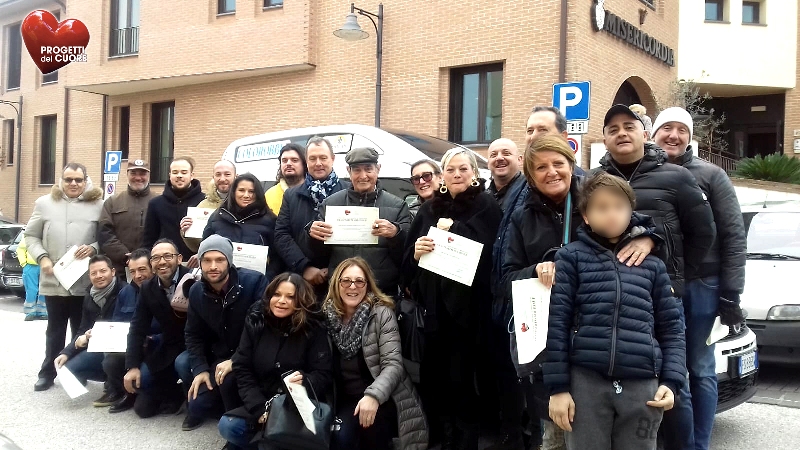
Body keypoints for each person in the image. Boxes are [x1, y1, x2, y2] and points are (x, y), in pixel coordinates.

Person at [503, 135, 657, 450]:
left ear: (571, 165)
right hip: (550, 337)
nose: (551, 172)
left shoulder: (596, 197)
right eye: (540, 167)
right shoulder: (522, 216)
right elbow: (504, 279)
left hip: (601, 337)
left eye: (558, 163)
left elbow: (640, 224)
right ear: (530, 176)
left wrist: (649, 239)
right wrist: (535, 271)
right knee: (556, 432)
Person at [545, 173, 686, 450]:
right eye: (601, 208)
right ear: (586, 216)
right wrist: (558, 388)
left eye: (620, 207)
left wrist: (672, 381)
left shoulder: (652, 265)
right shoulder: (571, 257)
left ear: (631, 212)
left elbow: (672, 328)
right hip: (586, 381)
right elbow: (557, 324)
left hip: (643, 383)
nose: (612, 214)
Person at [653, 107, 747, 450]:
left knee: (701, 367)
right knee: (667, 367)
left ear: (690, 137)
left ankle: (698, 445)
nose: (674, 135)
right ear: (654, 133)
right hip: (659, 283)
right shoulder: (645, 172)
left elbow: (733, 235)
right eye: (667, 128)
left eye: (682, 130)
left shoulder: (712, 175)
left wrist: (731, 291)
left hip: (702, 285)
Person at [403, 148, 502, 449]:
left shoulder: (486, 205)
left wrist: (453, 231)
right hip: (434, 311)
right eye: (450, 169)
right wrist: (417, 252)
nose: (457, 174)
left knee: (463, 380)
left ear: (474, 173)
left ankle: (466, 440)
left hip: (470, 313)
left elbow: (491, 255)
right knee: (434, 379)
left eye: (463, 169)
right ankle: (442, 437)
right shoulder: (429, 208)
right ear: (442, 175)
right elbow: (408, 261)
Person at [596, 104, 716, 301]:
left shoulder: (678, 177)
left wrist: (676, 277)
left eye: (629, 127)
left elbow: (703, 232)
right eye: (613, 130)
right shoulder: (593, 181)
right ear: (605, 142)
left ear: (645, 135)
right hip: (606, 293)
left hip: (661, 295)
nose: (622, 133)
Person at [217, 272, 333, 449]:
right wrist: (259, 409)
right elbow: (242, 366)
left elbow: (323, 374)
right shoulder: (256, 321)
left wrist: (305, 380)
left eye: (290, 297)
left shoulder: (313, 327)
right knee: (228, 426)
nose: (281, 301)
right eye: (277, 294)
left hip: (295, 405)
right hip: (262, 398)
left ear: (301, 300)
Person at [323, 257, 427, 450]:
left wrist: (373, 396)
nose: (352, 286)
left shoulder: (381, 314)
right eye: (346, 281)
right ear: (336, 283)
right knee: (339, 439)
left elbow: (393, 365)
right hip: (346, 400)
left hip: (384, 396)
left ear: (368, 285)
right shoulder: (326, 317)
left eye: (359, 281)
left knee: (373, 432)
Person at [25, 162, 104, 392]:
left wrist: (94, 248)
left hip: (84, 280)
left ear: (86, 181)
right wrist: (42, 258)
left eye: (78, 180)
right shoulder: (44, 204)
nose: (73, 184)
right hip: (55, 279)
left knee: (81, 329)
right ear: (61, 180)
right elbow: (31, 236)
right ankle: (47, 373)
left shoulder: (99, 205)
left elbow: (107, 237)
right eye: (69, 179)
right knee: (55, 330)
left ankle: (77, 372)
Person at [179, 235, 269, 431]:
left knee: (229, 379)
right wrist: (200, 369)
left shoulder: (254, 282)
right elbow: (193, 334)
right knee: (197, 404)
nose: (213, 266)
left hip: (251, 355)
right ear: (199, 262)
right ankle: (223, 401)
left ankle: (236, 421)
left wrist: (236, 359)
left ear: (229, 261)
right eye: (207, 260)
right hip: (219, 355)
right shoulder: (196, 291)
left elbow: (262, 329)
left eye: (219, 259)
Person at [309, 147, 411, 296]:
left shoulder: (397, 206)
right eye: (357, 170)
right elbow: (319, 255)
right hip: (341, 290)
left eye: (368, 169)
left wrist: (396, 234)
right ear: (348, 171)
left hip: (381, 291)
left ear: (378, 169)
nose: (363, 176)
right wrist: (313, 235)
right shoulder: (330, 204)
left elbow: (406, 254)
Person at [484, 137, 529, 448]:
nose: (500, 158)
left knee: (519, 369)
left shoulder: (527, 192)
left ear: (520, 160)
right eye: (493, 154)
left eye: (506, 153)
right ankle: (506, 428)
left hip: (519, 289)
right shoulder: (486, 195)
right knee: (500, 366)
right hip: (491, 294)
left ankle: (517, 432)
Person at [124, 239, 191, 418]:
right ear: (151, 263)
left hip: (195, 346)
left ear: (179, 258)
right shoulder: (148, 287)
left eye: (167, 256)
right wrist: (132, 366)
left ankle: (193, 397)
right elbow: (137, 327)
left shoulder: (194, 280)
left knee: (183, 364)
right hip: (169, 346)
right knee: (142, 405)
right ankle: (175, 394)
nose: (162, 262)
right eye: (156, 258)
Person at [274, 137, 349, 296]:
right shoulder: (291, 195)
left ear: (333, 159)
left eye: (323, 157)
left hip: (343, 280)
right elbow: (281, 235)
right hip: (302, 282)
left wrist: (334, 269)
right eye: (313, 158)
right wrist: (305, 267)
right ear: (306, 161)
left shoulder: (350, 192)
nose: (318, 163)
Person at [53, 255, 125, 402]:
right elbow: (82, 328)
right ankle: (110, 379)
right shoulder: (89, 296)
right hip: (100, 346)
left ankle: (116, 386)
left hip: (122, 347)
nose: (98, 276)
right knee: (69, 367)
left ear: (112, 272)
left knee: (110, 359)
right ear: (89, 276)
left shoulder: (125, 291)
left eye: (103, 271)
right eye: (94, 273)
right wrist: (67, 352)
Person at [102, 248, 156, 413]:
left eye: (142, 269)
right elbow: (117, 322)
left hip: (155, 348)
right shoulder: (125, 292)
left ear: (152, 268)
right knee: (109, 361)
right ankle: (126, 393)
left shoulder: (161, 290)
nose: (137, 275)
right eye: (132, 271)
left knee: (144, 410)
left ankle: (165, 394)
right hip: (131, 345)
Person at [202, 173, 281, 276]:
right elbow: (205, 248)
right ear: (233, 192)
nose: (246, 195)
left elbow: (277, 257)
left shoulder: (270, 220)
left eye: (251, 191)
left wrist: (267, 279)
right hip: (221, 280)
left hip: (256, 281)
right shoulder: (217, 217)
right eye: (241, 190)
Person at [97, 159, 156, 275]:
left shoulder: (158, 202)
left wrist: (145, 256)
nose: (138, 178)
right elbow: (105, 234)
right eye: (133, 173)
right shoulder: (112, 202)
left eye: (142, 174)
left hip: (150, 268)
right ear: (127, 174)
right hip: (119, 268)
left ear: (149, 175)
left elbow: (162, 234)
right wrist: (124, 255)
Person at [142, 158, 205, 262]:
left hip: (195, 263)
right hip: (165, 263)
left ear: (192, 175)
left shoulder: (204, 201)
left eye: (184, 172)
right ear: (170, 175)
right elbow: (149, 240)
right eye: (175, 172)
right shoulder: (155, 204)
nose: (179, 176)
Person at [182, 160, 238, 252]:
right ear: (213, 177)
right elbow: (196, 246)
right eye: (218, 174)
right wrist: (186, 231)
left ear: (236, 176)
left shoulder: (245, 204)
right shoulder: (203, 206)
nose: (222, 179)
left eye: (227, 174)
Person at [265, 143, 308, 216]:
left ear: (304, 164)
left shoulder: (313, 192)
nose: (288, 164)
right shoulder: (269, 195)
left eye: (294, 160)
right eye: (284, 160)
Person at [17, 236, 47, 321]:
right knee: (31, 290)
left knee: (44, 289)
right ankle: (30, 313)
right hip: (30, 266)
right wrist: (24, 263)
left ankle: (42, 312)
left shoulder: (46, 234)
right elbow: (21, 249)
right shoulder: (28, 236)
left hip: (44, 265)